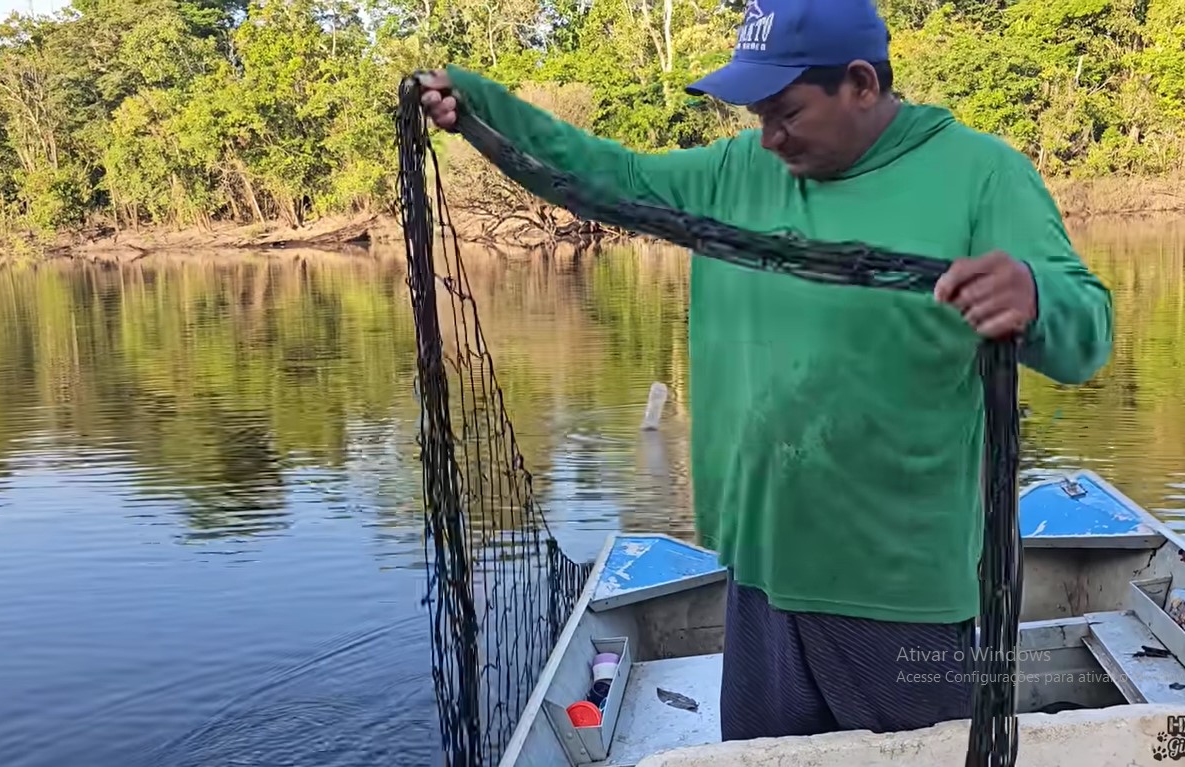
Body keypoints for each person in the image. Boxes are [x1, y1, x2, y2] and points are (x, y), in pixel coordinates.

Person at [417, 0, 1113, 744]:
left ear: (860, 84)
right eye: (755, 115)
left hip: (897, 590)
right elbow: (601, 176)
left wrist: (1032, 298)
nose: (768, 136)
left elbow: (1085, 329)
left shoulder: (980, 176)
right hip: (757, 576)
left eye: (785, 111)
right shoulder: (737, 172)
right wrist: (482, 110)